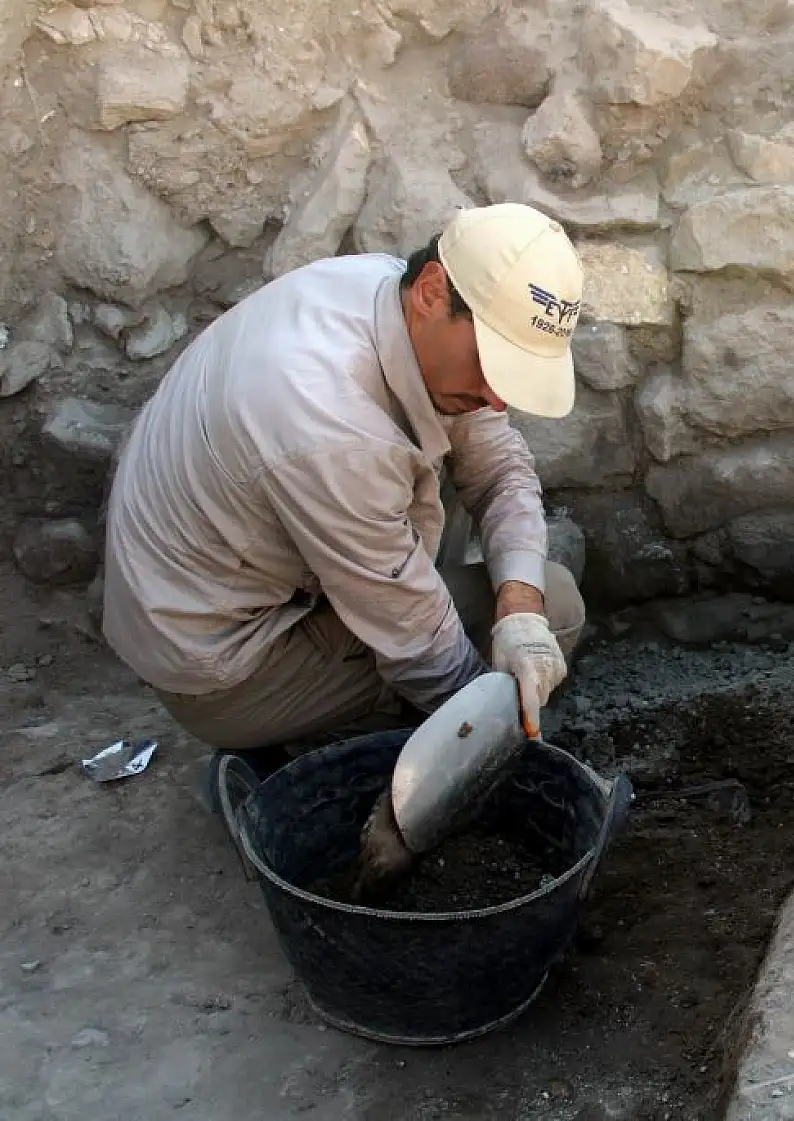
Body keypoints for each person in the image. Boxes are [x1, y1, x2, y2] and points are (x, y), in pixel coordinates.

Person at [102, 202, 587, 766]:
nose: (498, 397)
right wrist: (490, 749)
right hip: (229, 670)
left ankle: (358, 722)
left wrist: (520, 611)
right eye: (492, 361)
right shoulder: (325, 415)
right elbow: (425, 653)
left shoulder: (385, 291)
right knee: (561, 613)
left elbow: (500, 468)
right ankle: (330, 753)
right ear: (432, 290)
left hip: (251, 585)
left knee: (535, 609)